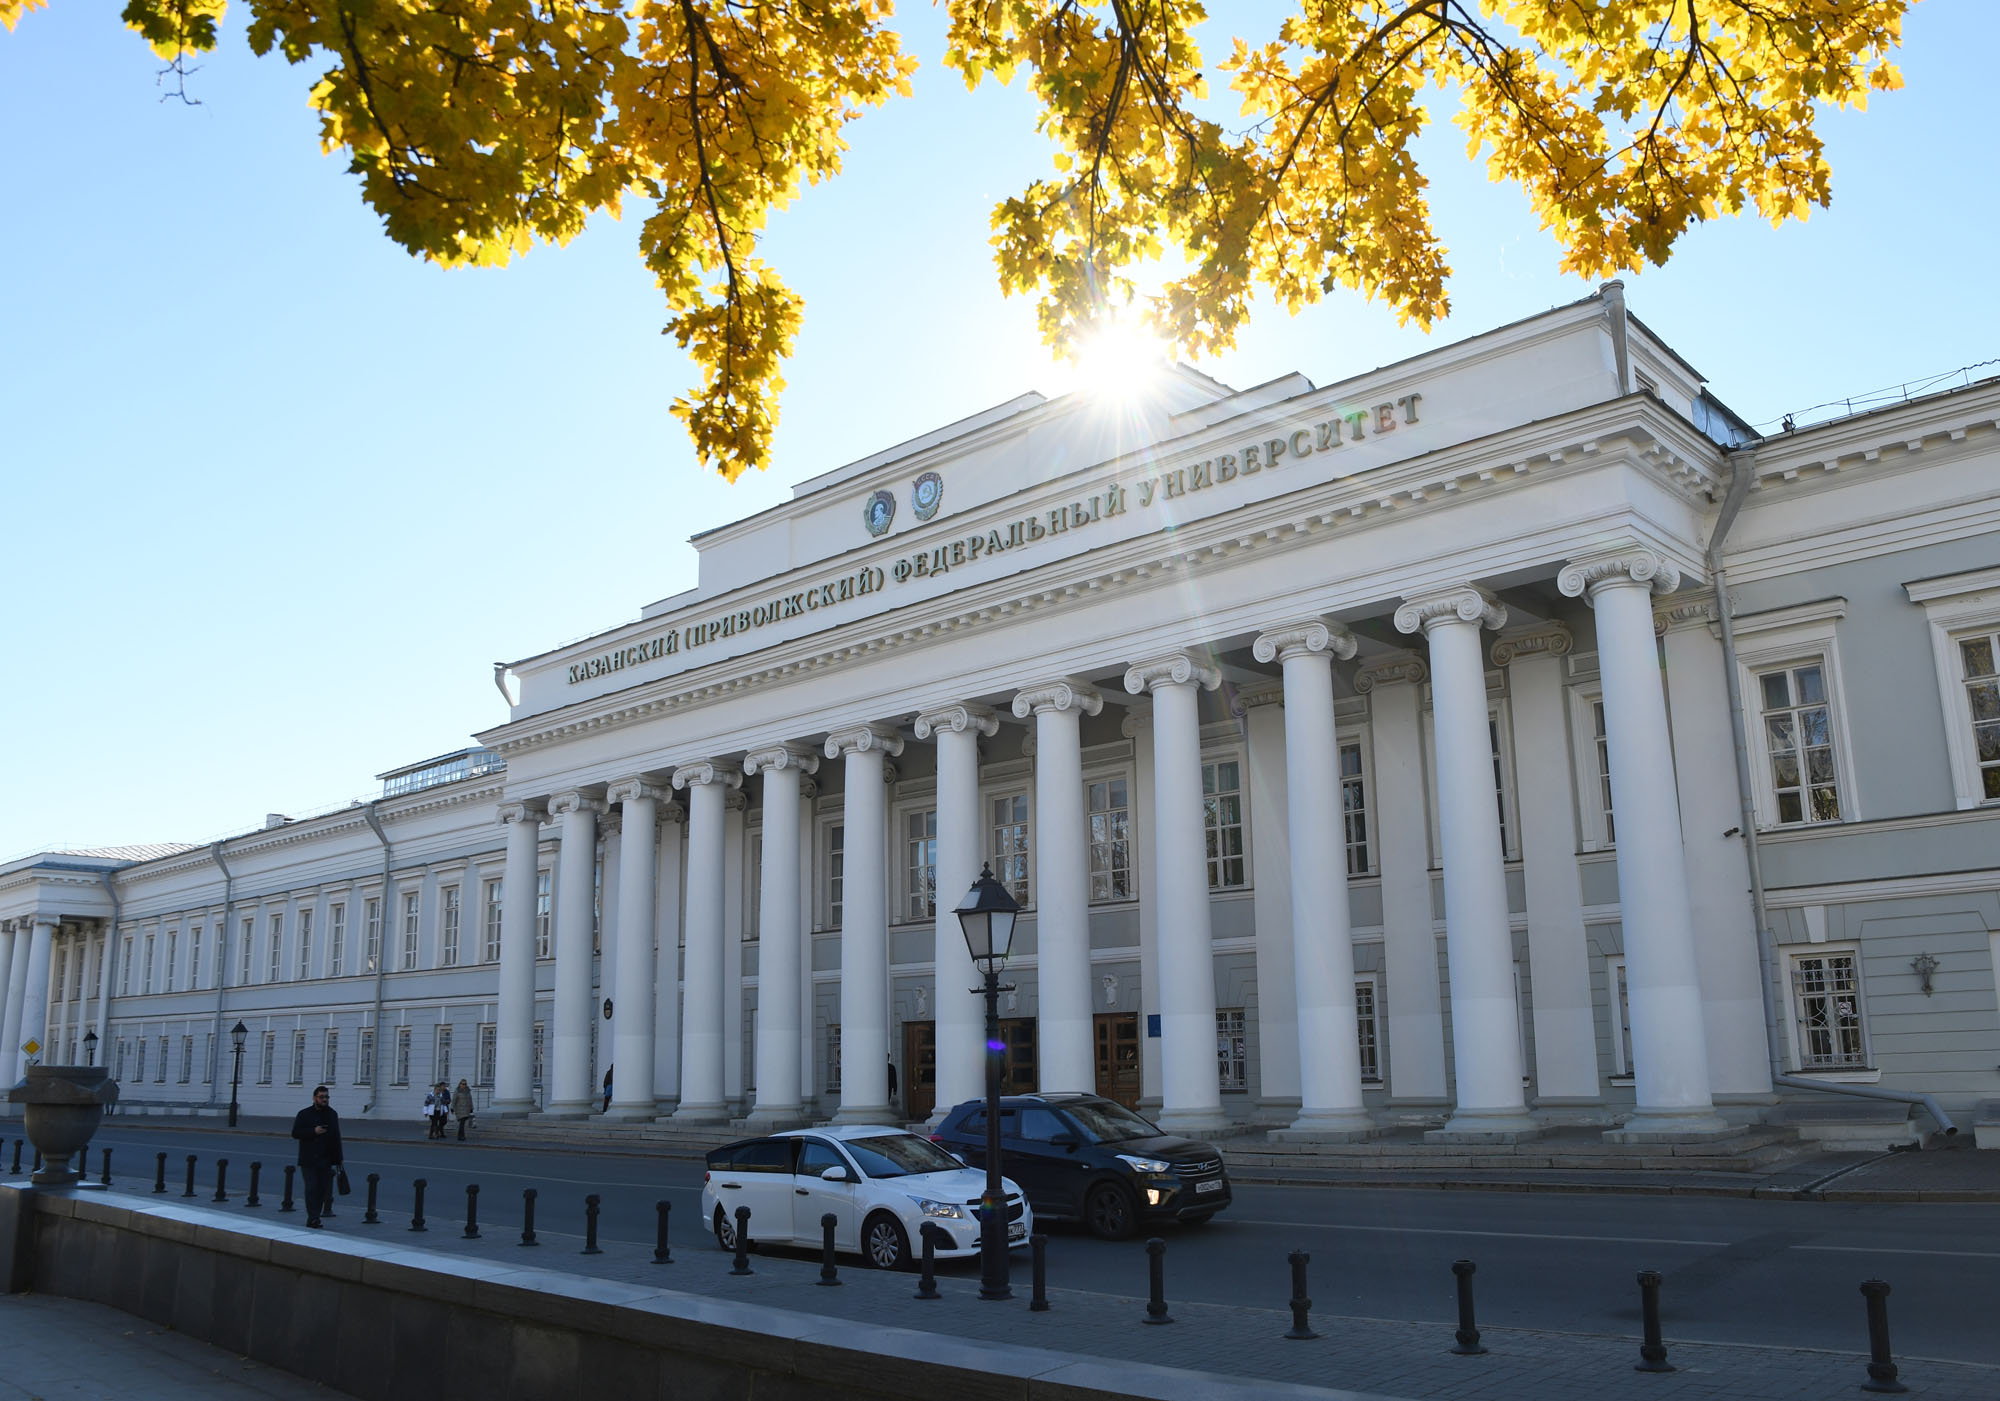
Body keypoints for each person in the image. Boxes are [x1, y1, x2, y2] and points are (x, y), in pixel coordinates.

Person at [291, 1085, 343, 1228]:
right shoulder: (304, 1114)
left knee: (321, 1190)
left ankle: (315, 1217)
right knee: (311, 1188)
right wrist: (313, 1131)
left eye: (326, 1097)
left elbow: (336, 1137)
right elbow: (295, 1133)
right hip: (308, 1159)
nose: (324, 1099)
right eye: (321, 1097)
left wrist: (338, 1159)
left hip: (325, 1159)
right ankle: (313, 1217)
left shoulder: (332, 1114)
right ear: (314, 1098)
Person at [452, 1077, 474, 1141]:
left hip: (466, 1109)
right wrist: (452, 1108)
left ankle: (461, 1135)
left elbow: (470, 1100)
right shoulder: (457, 1091)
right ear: (460, 1084)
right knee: (462, 1123)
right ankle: (461, 1136)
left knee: (463, 1123)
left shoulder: (468, 1091)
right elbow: (454, 1100)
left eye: (465, 1084)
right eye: (463, 1084)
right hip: (459, 1109)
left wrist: (471, 1107)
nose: (464, 1085)